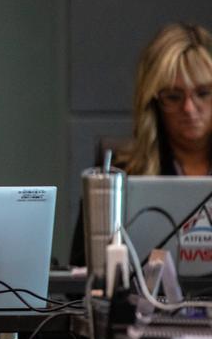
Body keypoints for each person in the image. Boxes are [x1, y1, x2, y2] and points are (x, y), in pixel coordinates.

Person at [70, 22, 212, 268]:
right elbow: (84, 273)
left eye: (203, 93)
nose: (189, 109)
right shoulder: (118, 173)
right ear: (153, 102)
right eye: (173, 97)